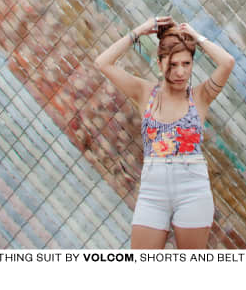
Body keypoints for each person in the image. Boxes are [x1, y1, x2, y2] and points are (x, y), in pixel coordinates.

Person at [94, 16, 235, 249]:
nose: (180, 72)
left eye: (186, 64)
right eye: (173, 64)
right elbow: (103, 63)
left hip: (193, 191)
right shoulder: (144, 92)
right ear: (160, 64)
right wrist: (139, 30)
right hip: (153, 193)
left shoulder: (201, 96)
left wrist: (197, 37)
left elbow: (227, 62)